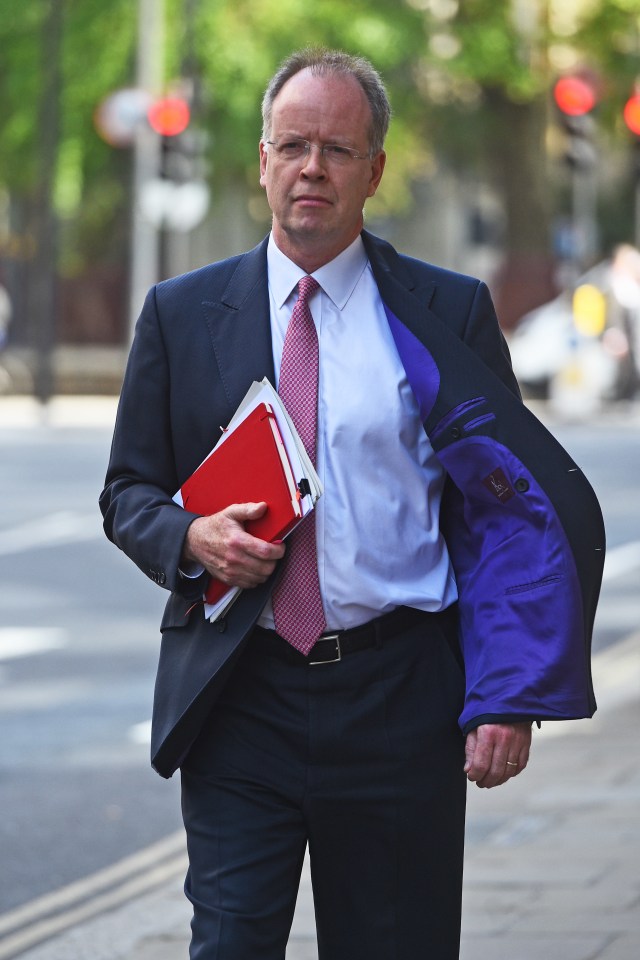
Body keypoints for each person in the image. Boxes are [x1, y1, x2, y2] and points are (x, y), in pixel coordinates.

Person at [100, 48, 605, 960]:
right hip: (238, 693)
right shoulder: (179, 314)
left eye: (337, 149)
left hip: (398, 699)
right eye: (292, 145)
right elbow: (127, 491)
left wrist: (507, 693)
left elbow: (505, 521)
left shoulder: (446, 312)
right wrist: (190, 536)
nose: (312, 169)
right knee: (227, 947)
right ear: (261, 159)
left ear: (374, 170)